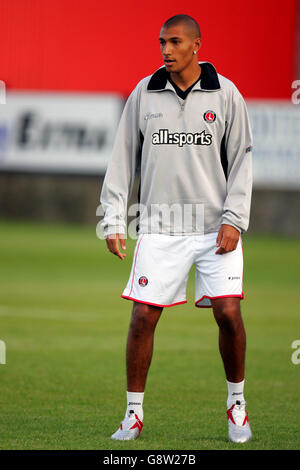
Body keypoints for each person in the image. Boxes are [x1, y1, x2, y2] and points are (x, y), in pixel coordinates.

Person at [100, 14, 253, 443]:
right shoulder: (143, 94)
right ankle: (133, 414)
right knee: (143, 316)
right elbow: (121, 160)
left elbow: (242, 160)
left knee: (228, 312)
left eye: (175, 41)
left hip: (213, 228)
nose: (166, 49)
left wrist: (233, 220)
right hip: (161, 227)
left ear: (196, 45)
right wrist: (113, 219)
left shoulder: (226, 95)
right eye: (162, 42)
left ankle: (237, 405)